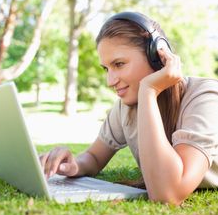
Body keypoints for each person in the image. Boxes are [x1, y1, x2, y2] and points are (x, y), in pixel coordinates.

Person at [40, 11, 218, 205]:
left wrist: (148, 90)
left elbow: (168, 194)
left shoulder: (205, 97)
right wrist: (74, 165)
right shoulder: (126, 108)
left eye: (119, 64)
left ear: (156, 56)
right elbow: (94, 157)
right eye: (106, 68)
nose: (110, 81)